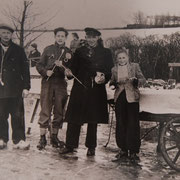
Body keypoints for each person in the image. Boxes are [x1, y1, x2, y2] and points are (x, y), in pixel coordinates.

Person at [59, 27, 114, 156]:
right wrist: (69, 73)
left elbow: (109, 70)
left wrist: (104, 77)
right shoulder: (79, 51)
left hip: (96, 89)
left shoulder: (106, 52)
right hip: (80, 88)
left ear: (98, 38)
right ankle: (70, 145)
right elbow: (73, 69)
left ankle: (91, 147)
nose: (90, 39)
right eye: (88, 37)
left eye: (93, 37)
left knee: (92, 119)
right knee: (74, 118)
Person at [36, 27, 73, 150]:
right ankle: (42, 138)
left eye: (63, 36)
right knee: (45, 109)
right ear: (55, 37)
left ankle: (54, 137)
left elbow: (71, 71)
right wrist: (46, 72)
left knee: (59, 110)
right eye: (58, 36)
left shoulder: (69, 52)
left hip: (61, 83)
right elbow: (39, 65)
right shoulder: (48, 49)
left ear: (66, 38)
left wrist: (67, 72)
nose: (60, 38)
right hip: (48, 83)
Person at [110, 48, 146, 162]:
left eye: (123, 57)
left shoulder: (134, 66)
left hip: (132, 98)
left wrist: (136, 80)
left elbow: (143, 79)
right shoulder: (114, 69)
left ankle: (134, 152)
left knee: (133, 124)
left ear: (128, 57)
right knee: (121, 123)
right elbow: (111, 82)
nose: (121, 60)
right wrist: (114, 83)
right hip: (120, 97)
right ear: (117, 59)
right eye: (119, 58)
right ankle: (123, 150)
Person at [0, 23, 31, 149]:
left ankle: (19, 140)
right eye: (3, 33)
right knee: (1, 114)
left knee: (17, 115)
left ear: (11, 35)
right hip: (1, 89)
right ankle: (2, 138)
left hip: (15, 89)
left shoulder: (18, 50)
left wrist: (26, 87)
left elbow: (25, 69)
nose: (6, 35)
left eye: (8, 33)